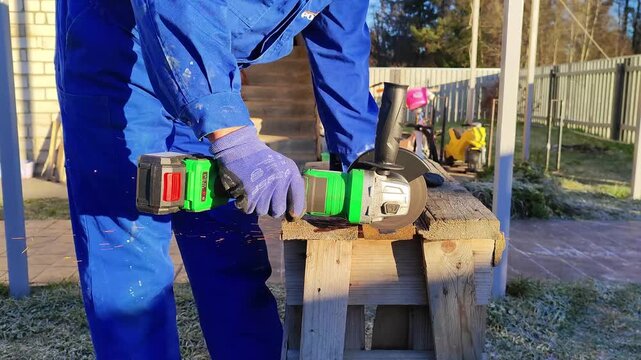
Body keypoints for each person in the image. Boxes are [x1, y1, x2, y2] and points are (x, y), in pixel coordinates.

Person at [55, 0, 378, 358]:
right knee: (131, 264)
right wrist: (234, 138)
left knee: (230, 247)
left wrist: (364, 151)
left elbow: (341, 40)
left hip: (209, 67)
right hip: (121, 55)